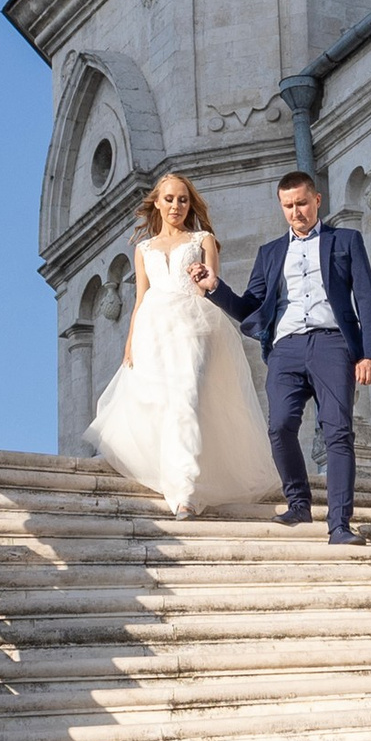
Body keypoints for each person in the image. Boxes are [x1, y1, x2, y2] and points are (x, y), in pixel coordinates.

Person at [83, 169, 281, 517]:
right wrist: (130, 342)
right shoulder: (143, 249)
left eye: (183, 199)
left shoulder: (203, 240)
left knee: (188, 397)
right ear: (157, 204)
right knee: (160, 402)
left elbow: (214, 288)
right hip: (153, 327)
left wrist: (205, 281)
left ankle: (186, 492)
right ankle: (172, 477)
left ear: (190, 204)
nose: (176, 205)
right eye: (170, 199)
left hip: (196, 324)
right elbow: (141, 297)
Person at [200, 168, 371, 544]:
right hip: (285, 349)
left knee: (338, 432)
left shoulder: (346, 240)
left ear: (317, 201)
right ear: (280, 207)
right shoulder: (270, 253)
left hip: (333, 344)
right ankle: (298, 501)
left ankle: (339, 526)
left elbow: (366, 298)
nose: (296, 212)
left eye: (301, 203)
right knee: (279, 425)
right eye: (288, 206)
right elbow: (249, 306)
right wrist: (214, 288)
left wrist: (369, 354)